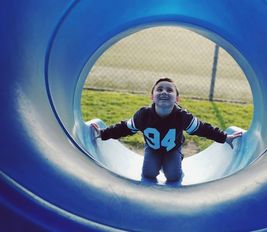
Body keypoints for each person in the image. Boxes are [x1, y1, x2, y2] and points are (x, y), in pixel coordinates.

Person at [91, 77, 242, 183]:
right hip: (153, 148)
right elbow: (124, 128)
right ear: (152, 96)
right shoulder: (143, 115)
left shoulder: (182, 117)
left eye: (170, 90)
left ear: (177, 99)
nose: (164, 92)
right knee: (148, 174)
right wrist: (104, 134)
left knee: (173, 177)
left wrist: (224, 137)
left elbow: (203, 129)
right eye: (160, 89)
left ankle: (174, 160)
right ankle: (158, 162)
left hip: (172, 148)